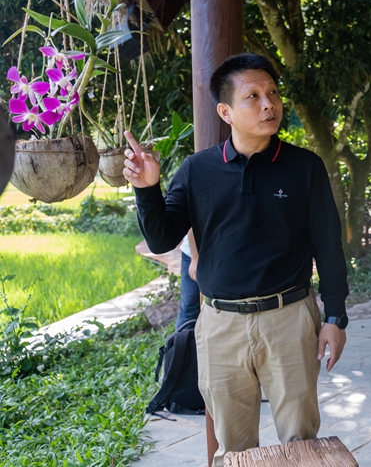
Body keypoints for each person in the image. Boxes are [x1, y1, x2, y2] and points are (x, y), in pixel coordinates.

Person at [122, 53, 349, 467]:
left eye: (273, 93)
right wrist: (147, 189)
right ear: (225, 112)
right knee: (233, 450)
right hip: (220, 325)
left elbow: (329, 246)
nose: (269, 104)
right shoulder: (197, 171)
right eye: (253, 96)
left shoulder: (305, 168)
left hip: (289, 319)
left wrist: (335, 317)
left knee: (301, 443)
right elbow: (162, 237)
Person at [175, 230, 200, 331]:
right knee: (190, 307)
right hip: (192, 254)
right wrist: (195, 257)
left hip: (223, 255)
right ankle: (181, 340)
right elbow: (192, 225)